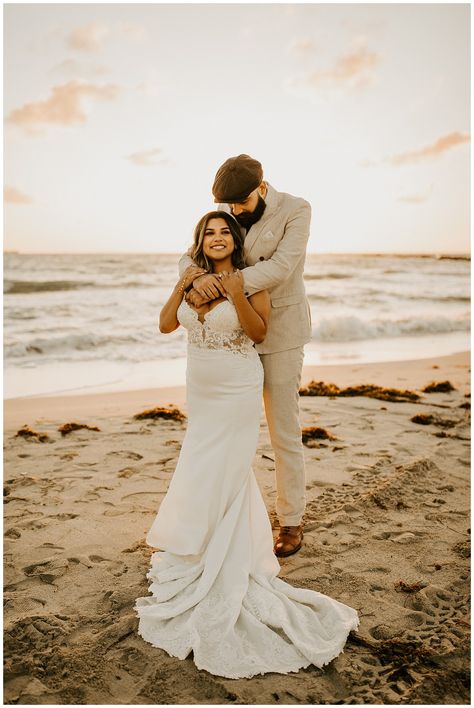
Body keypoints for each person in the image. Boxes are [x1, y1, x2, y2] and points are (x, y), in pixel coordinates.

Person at [134, 209, 359, 679]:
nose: (217, 238)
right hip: (201, 384)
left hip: (237, 382)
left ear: (235, 241)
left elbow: (258, 333)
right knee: (199, 462)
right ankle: (197, 541)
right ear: (200, 241)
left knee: (228, 467)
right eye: (208, 233)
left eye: (223, 232)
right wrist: (182, 285)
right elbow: (165, 326)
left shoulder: (250, 280)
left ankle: (230, 554)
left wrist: (236, 292)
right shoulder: (190, 276)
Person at [179, 154, 312, 557]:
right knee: (224, 431)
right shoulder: (225, 207)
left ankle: (291, 520)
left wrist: (218, 284)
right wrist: (196, 277)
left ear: (262, 186)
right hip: (231, 335)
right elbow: (190, 254)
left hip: (280, 332)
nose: (233, 211)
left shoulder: (297, 209)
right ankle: (221, 517)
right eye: (228, 205)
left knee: (282, 430)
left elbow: (282, 268)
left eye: (240, 202)